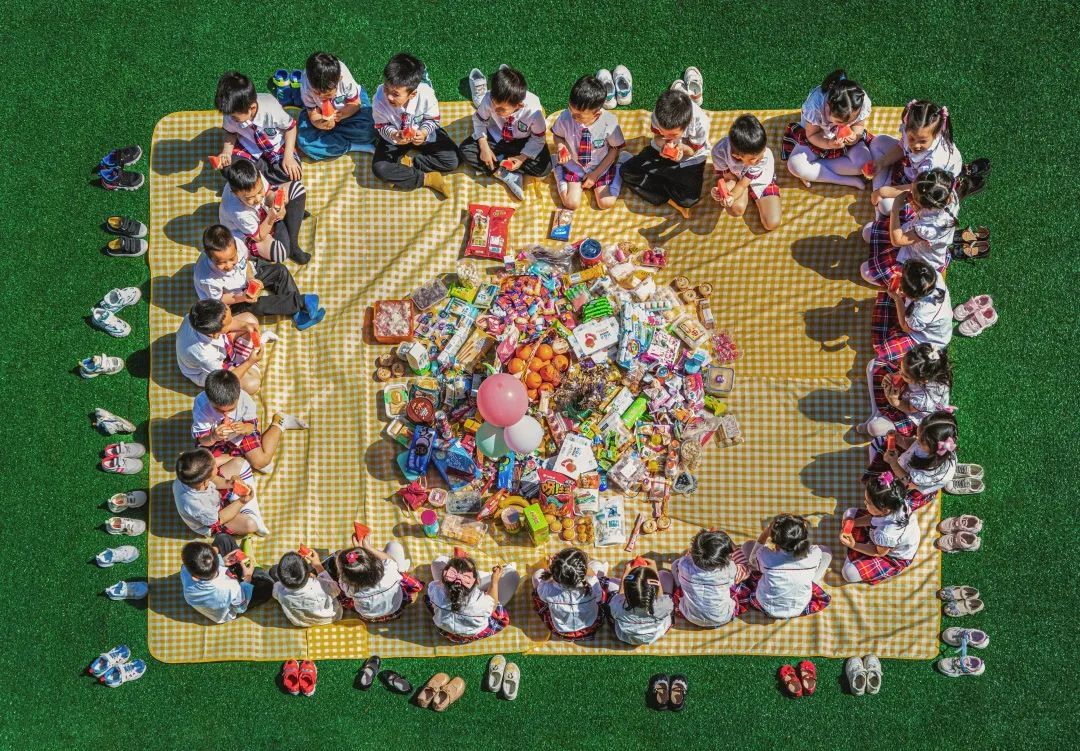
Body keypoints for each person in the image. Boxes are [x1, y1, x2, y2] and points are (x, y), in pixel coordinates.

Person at [195, 224, 324, 331]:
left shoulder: (237, 243)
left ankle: (298, 315)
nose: (228, 265)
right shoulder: (207, 279)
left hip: (244, 280)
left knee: (280, 270)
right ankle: (300, 302)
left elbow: (246, 262)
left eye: (232, 259)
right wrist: (242, 297)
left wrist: (251, 278)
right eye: (221, 263)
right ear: (209, 256)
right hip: (232, 299)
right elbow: (220, 300)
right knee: (258, 305)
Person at [371, 52, 458, 197]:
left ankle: (410, 164)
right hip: (395, 136)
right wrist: (393, 134)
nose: (389, 96)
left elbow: (433, 120)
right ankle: (427, 178)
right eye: (386, 88)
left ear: (412, 94)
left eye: (395, 94)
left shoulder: (426, 95)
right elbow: (381, 125)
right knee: (379, 168)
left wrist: (423, 132)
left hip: (422, 133)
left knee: (452, 160)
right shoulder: (379, 98)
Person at [460, 66, 552, 200]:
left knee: (545, 168)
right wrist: (484, 146)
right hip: (497, 135)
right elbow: (479, 120)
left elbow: (538, 138)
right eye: (494, 105)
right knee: (466, 150)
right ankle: (505, 173)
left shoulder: (534, 111)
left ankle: (500, 161)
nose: (496, 111)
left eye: (502, 109)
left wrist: (521, 158)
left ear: (519, 105)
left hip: (523, 140)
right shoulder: (489, 98)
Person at [191, 369, 308, 471]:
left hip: (241, 433)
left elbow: (251, 427)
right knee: (203, 467)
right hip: (213, 438)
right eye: (218, 410)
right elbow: (202, 439)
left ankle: (279, 422)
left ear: (238, 396)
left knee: (261, 462)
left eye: (231, 409)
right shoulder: (201, 405)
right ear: (208, 398)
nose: (225, 413)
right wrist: (213, 437)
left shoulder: (245, 400)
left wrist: (244, 428)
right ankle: (242, 457)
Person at [620, 87, 710, 218]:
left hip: (690, 159)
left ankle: (655, 181)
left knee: (688, 200)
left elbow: (693, 151)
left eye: (673, 134)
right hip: (660, 152)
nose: (668, 137)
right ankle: (667, 198)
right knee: (626, 171)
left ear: (686, 125)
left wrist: (681, 148)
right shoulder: (658, 115)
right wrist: (663, 145)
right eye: (664, 132)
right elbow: (657, 138)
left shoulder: (701, 123)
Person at [861, 168, 960, 287]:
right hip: (915, 231)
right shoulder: (946, 192)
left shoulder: (929, 227)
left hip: (919, 257)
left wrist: (895, 209)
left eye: (913, 193)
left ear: (925, 205)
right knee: (867, 231)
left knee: (865, 271)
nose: (910, 192)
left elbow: (897, 241)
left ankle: (903, 288)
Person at [867, 100, 962, 216]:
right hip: (913, 170)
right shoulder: (911, 129)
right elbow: (901, 147)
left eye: (923, 141)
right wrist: (881, 163)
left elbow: (918, 188)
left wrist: (883, 191)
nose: (916, 145)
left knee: (885, 206)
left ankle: (879, 201)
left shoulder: (934, 162)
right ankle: (880, 191)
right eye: (912, 138)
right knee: (878, 142)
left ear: (936, 134)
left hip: (926, 188)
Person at [783, 69, 873, 189]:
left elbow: (859, 126)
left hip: (841, 144)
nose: (844, 126)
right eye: (839, 122)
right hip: (817, 136)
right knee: (794, 165)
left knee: (864, 164)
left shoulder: (860, 101)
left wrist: (855, 137)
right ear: (828, 107)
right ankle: (844, 180)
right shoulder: (815, 106)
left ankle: (813, 171)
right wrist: (828, 144)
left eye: (850, 121)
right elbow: (812, 135)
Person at [732, 515, 832, 619]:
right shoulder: (815, 553)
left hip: (766, 606)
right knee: (826, 551)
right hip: (799, 607)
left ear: (775, 542)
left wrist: (765, 533)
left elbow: (752, 560)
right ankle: (810, 580)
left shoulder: (764, 556)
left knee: (748, 545)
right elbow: (813, 550)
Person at [550, 75, 626, 210]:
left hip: (600, 166)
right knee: (571, 203)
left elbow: (614, 149)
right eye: (570, 109)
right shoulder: (566, 117)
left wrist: (595, 175)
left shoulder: (609, 123)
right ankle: (557, 166)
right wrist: (561, 146)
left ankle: (621, 164)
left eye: (579, 115)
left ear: (596, 114)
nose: (572, 116)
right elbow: (557, 136)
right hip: (575, 165)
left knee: (606, 202)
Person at [213, 71, 302, 185]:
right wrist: (226, 152)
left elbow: (291, 128)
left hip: (276, 147)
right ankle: (258, 177)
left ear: (252, 108)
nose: (231, 119)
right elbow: (231, 133)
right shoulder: (230, 112)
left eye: (234, 117)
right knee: (227, 169)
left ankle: (253, 179)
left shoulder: (271, 109)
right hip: (249, 148)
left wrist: (288, 157)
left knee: (291, 172)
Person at [219, 157, 309, 265]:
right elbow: (258, 237)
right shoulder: (238, 212)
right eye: (249, 198)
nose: (257, 199)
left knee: (297, 189)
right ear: (235, 194)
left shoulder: (254, 176)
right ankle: (289, 218)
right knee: (280, 253)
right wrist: (272, 218)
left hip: (265, 212)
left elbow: (268, 194)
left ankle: (293, 244)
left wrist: (277, 201)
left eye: (259, 191)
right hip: (250, 234)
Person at [840, 472, 921, 584]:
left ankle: (856, 555)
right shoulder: (896, 503)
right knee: (849, 514)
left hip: (891, 556)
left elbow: (878, 553)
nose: (864, 503)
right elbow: (874, 519)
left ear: (883, 509)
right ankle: (859, 554)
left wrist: (853, 545)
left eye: (868, 503)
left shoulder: (886, 534)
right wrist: (854, 522)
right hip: (881, 538)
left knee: (848, 574)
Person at [295, 51, 376, 160]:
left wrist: (342, 114)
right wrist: (320, 123)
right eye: (317, 93)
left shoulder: (345, 79)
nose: (321, 97)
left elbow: (355, 103)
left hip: (348, 108)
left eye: (328, 94)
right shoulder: (306, 86)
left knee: (370, 130)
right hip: (321, 114)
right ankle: (352, 146)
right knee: (304, 143)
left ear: (339, 80)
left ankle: (331, 141)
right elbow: (312, 114)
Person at [324, 534, 423, 622]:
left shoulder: (348, 588)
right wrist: (368, 548)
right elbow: (391, 560)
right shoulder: (389, 572)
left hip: (371, 617)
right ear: (377, 563)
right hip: (396, 608)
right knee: (394, 546)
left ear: (345, 578)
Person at [861, 344, 952, 438]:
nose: (900, 373)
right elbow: (904, 371)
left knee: (873, 428)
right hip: (907, 391)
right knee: (874, 364)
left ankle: (880, 414)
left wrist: (894, 401)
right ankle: (875, 413)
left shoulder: (927, 398)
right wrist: (893, 376)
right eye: (901, 368)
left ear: (922, 381)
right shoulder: (920, 364)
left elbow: (909, 408)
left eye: (905, 375)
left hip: (912, 416)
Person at [176, 299, 265, 394]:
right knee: (252, 385)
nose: (233, 321)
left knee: (250, 319)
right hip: (212, 371)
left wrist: (245, 325)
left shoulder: (197, 315)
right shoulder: (206, 357)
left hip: (217, 345)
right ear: (214, 334)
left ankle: (237, 357)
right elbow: (226, 378)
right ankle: (239, 360)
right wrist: (250, 362)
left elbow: (226, 323)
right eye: (229, 323)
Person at [172, 447, 268, 537]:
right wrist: (241, 502)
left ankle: (236, 499)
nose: (217, 465)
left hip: (213, 496)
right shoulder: (197, 506)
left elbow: (213, 479)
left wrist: (230, 483)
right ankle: (251, 512)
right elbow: (219, 519)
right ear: (205, 482)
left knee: (239, 463)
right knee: (251, 525)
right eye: (215, 467)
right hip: (215, 518)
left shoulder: (188, 474)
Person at [425, 554, 519, 643]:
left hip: (448, 629)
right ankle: (504, 571)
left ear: (443, 578)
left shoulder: (435, 589)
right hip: (472, 628)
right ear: (477, 581)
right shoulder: (481, 605)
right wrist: (494, 581)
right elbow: (493, 606)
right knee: (513, 575)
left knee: (437, 561)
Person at [870, 260, 952, 363]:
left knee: (884, 351)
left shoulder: (920, 312)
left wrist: (897, 299)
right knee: (887, 298)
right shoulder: (935, 276)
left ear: (910, 295)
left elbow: (905, 328)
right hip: (922, 323)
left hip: (926, 340)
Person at [710, 114, 782, 230]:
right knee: (735, 210)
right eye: (754, 159)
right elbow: (730, 178)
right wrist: (724, 192)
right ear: (737, 156)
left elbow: (744, 183)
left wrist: (733, 194)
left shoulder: (763, 157)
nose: (760, 158)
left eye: (763, 150)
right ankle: (747, 193)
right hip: (737, 177)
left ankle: (754, 193)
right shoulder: (719, 152)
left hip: (760, 178)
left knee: (771, 223)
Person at [874, 410, 960, 507]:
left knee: (889, 501)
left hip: (912, 485)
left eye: (920, 441)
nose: (917, 440)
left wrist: (893, 463)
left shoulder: (930, 472)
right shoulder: (929, 443)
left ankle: (955, 473)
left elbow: (908, 482)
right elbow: (914, 444)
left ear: (933, 449)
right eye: (918, 436)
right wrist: (901, 440)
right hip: (908, 469)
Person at [180, 536, 273, 624]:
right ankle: (254, 566)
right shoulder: (230, 588)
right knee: (267, 586)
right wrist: (248, 576)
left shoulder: (185, 570)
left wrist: (222, 561)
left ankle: (243, 562)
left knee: (223, 538)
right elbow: (241, 608)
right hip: (233, 601)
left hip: (224, 586)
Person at [670, 529, 750, 628]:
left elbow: (688, 556)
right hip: (722, 617)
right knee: (740, 586)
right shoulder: (729, 569)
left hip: (690, 616)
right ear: (727, 559)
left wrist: (703, 543)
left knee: (675, 565)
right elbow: (745, 568)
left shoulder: (683, 564)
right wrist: (730, 542)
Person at [532, 547, 613, 640]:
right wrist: (588, 572)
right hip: (590, 625)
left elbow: (542, 595)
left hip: (562, 629)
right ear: (583, 572)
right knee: (597, 565)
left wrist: (550, 570)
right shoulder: (592, 582)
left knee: (537, 574)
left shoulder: (547, 589)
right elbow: (599, 598)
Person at [607, 556, 675, 646]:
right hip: (653, 636)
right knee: (665, 575)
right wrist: (654, 571)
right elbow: (661, 597)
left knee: (611, 582)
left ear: (627, 592)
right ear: (654, 590)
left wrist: (626, 574)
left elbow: (619, 595)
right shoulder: (664, 606)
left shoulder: (616, 606)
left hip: (626, 637)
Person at [271, 551, 344, 627]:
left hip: (302, 622)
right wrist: (318, 566)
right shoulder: (321, 585)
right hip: (333, 617)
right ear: (309, 574)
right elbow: (337, 590)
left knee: (273, 570)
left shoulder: (279, 589)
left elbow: (275, 593)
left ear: (279, 577)